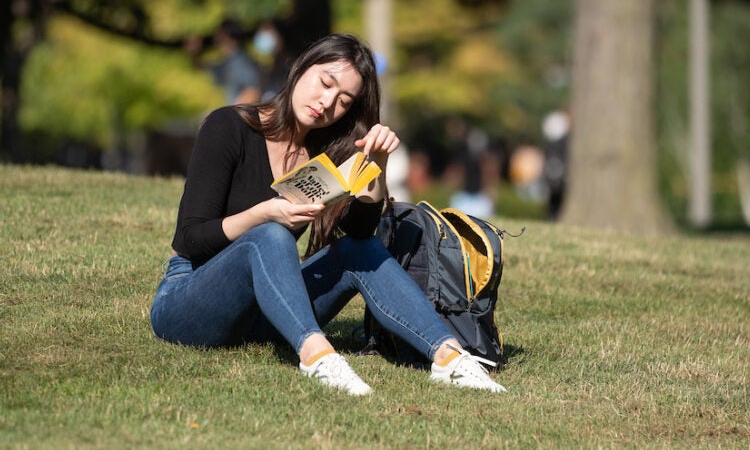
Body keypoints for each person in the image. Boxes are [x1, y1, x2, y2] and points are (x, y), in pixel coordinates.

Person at [150, 34, 505, 395]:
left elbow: (360, 237)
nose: (327, 102)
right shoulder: (229, 126)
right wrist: (263, 214)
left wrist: (375, 173)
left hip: (265, 308)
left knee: (356, 252)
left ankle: (449, 357)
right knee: (270, 234)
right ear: (301, 68)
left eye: (343, 100)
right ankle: (318, 357)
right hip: (188, 301)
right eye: (325, 83)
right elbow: (191, 240)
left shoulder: (327, 154)